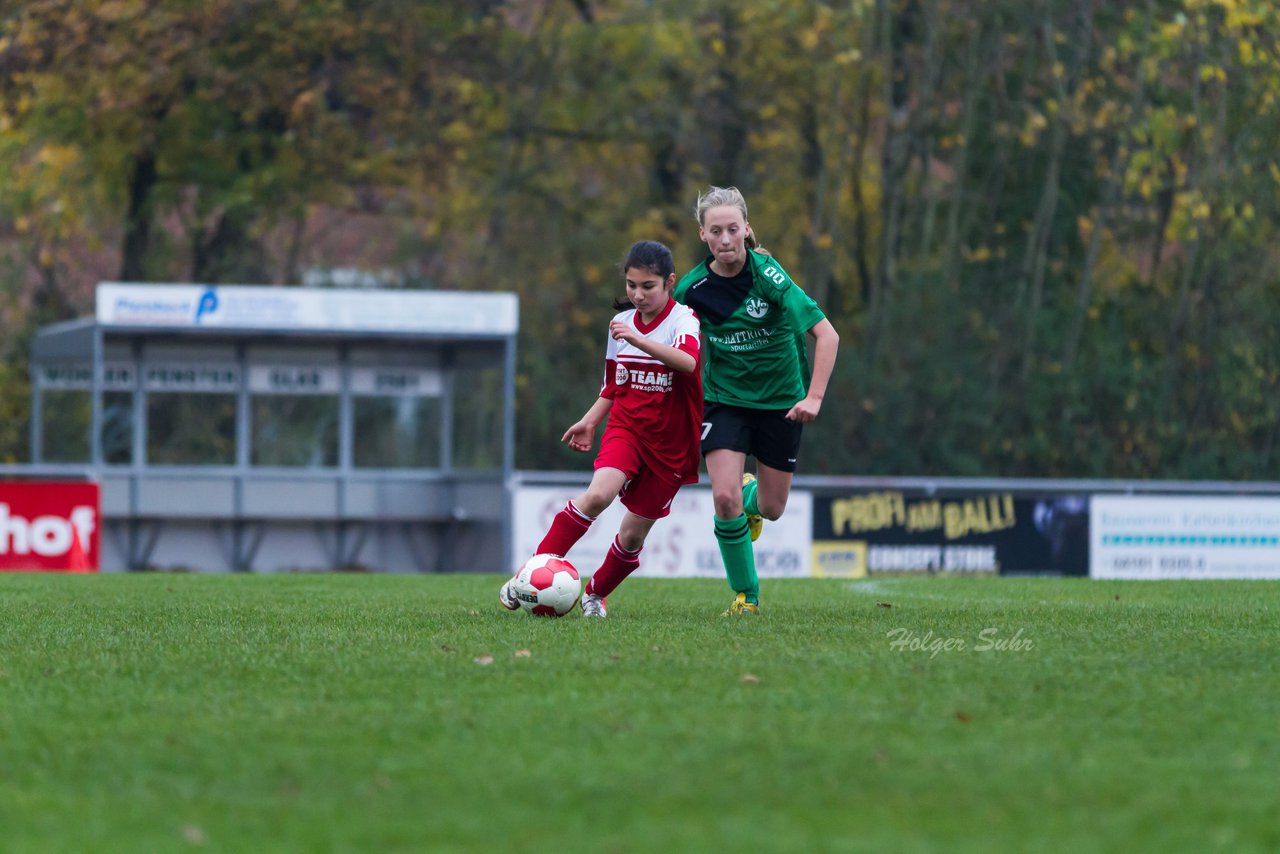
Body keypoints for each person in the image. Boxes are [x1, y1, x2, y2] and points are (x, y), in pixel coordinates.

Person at [500, 240, 702, 618]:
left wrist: (642, 341)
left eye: (648, 286)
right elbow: (614, 385)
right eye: (631, 285)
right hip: (627, 427)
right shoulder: (621, 325)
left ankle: (595, 594)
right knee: (597, 496)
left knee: (632, 535)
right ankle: (526, 577)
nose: (637, 295)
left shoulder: (683, 320)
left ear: (670, 282)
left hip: (671, 444)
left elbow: (688, 362)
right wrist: (591, 420)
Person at [674, 186, 840, 615]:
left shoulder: (770, 278)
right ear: (703, 235)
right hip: (724, 401)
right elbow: (665, 338)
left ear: (746, 229)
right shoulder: (693, 289)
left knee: (772, 507)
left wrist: (814, 397)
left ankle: (753, 497)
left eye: (733, 229)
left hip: (782, 403)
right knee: (722, 497)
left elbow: (827, 334)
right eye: (716, 231)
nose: (726, 239)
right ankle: (747, 595)